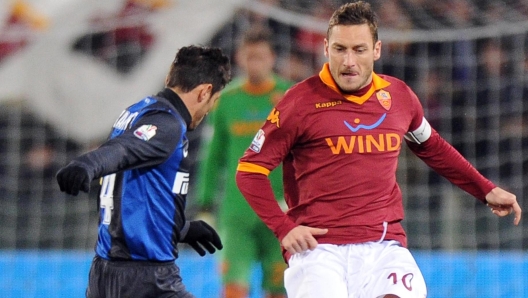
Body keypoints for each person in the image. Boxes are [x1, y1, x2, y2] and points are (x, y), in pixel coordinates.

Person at [235, 2, 522, 298]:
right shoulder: (299, 102)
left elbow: (432, 147)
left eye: (359, 50)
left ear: (377, 50)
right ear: (325, 48)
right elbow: (249, 171)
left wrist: (485, 189)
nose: (348, 61)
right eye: (340, 49)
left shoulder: (398, 96)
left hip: (384, 246)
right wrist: (284, 228)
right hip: (319, 250)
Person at [56, 45, 231, 298]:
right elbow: (124, 150)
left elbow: (131, 189)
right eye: (214, 101)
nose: (208, 111)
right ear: (204, 92)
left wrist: (179, 228)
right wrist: (87, 164)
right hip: (146, 279)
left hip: (105, 274)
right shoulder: (167, 125)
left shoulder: (138, 111)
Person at [195, 26, 292, 298]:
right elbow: (212, 157)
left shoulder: (289, 98)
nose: (255, 63)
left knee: (279, 287)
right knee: (234, 288)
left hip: (281, 209)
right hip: (237, 211)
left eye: (260, 57)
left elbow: (305, 155)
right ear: (239, 58)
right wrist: (205, 203)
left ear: (272, 58)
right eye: (250, 57)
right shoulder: (226, 101)